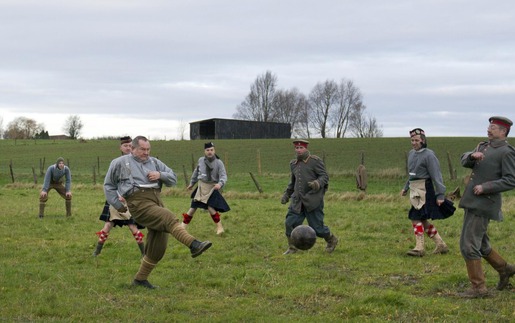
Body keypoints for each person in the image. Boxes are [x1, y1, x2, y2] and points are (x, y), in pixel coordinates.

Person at [104, 136, 212, 289]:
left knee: (159, 244)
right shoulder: (119, 163)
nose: (146, 153)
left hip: (156, 200)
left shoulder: (154, 162)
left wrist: (160, 175)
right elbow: (108, 185)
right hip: (138, 202)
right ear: (133, 148)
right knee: (168, 217)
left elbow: (173, 178)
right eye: (143, 149)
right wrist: (117, 204)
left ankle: (140, 280)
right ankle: (194, 244)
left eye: (148, 149)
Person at [457, 116, 515, 298]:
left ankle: (478, 288)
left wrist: (486, 187)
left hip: (484, 203)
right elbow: (464, 160)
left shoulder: (507, 152)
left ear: (503, 131)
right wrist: (471, 156)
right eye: (489, 126)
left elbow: (511, 180)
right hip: (472, 201)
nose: (489, 130)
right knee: (481, 243)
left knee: (468, 245)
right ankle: (505, 269)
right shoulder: (483, 146)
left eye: (493, 127)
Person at [281, 139, 338, 255]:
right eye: (297, 148)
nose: (299, 150)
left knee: (318, 229)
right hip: (297, 201)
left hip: (313, 200)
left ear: (306, 148)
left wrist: (317, 183)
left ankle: (331, 240)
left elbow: (324, 176)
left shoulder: (315, 161)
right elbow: (293, 182)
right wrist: (287, 194)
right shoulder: (293, 164)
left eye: (301, 148)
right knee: (289, 223)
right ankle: (292, 247)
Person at [400, 128, 449, 257]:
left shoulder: (429, 155)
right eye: (412, 140)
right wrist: (406, 187)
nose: (414, 142)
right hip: (415, 189)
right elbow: (412, 174)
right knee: (422, 219)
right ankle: (441, 244)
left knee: (415, 217)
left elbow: (436, 176)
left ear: (423, 140)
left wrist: (440, 195)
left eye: (416, 140)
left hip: (426, 189)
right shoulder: (411, 154)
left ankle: (420, 247)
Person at [93, 136, 145, 257]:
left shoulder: (139, 162)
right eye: (125, 146)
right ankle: (97, 252)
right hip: (115, 199)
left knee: (133, 226)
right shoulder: (116, 163)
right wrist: (117, 196)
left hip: (131, 199)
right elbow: (110, 182)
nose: (128, 148)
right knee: (107, 225)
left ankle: (144, 253)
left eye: (130, 146)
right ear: (120, 148)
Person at [180, 142, 230, 235]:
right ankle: (182, 227)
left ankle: (220, 228)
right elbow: (196, 172)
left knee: (211, 207)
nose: (209, 152)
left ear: (214, 150)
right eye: (207, 150)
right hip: (201, 186)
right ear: (204, 151)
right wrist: (192, 183)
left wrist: (220, 184)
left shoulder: (219, 163)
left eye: (211, 150)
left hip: (212, 187)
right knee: (192, 208)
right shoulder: (201, 160)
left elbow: (223, 176)